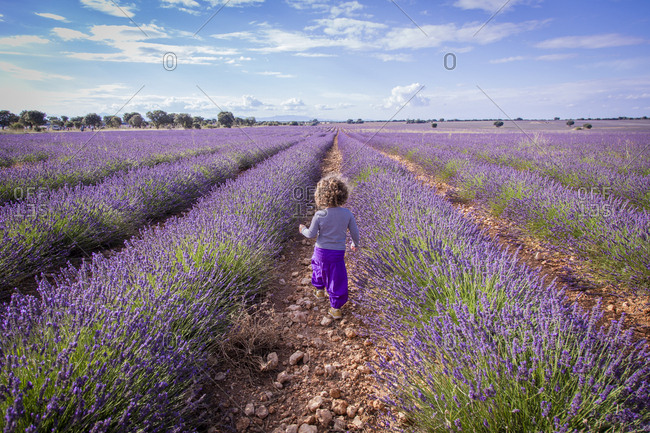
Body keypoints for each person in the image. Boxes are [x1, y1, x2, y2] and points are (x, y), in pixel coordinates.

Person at [299, 175, 360, 320]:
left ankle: (319, 291)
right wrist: (354, 244)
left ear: (320, 197)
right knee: (336, 277)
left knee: (318, 268)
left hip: (320, 251)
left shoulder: (320, 214)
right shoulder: (347, 214)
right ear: (342, 195)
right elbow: (355, 233)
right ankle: (335, 308)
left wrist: (302, 229)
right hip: (337, 253)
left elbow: (311, 234)